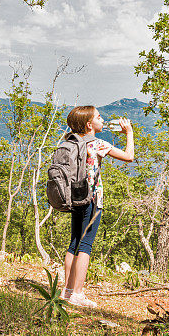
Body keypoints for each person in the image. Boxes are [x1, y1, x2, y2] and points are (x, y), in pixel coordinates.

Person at [62, 106, 134, 308]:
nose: (103, 120)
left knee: (74, 243)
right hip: (92, 198)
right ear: (89, 124)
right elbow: (129, 156)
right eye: (99, 117)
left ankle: (66, 291)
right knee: (85, 245)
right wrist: (129, 133)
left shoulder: (71, 142)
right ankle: (77, 293)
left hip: (74, 198)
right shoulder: (98, 143)